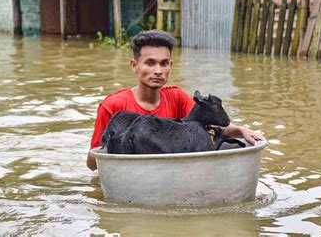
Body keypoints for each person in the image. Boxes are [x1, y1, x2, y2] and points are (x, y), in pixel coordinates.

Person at [87, 30, 265, 171]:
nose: (158, 70)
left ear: (170, 66)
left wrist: (241, 130)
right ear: (135, 66)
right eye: (150, 63)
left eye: (164, 63)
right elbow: (93, 163)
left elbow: (209, 124)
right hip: (133, 176)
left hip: (170, 175)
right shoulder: (113, 105)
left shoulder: (177, 97)